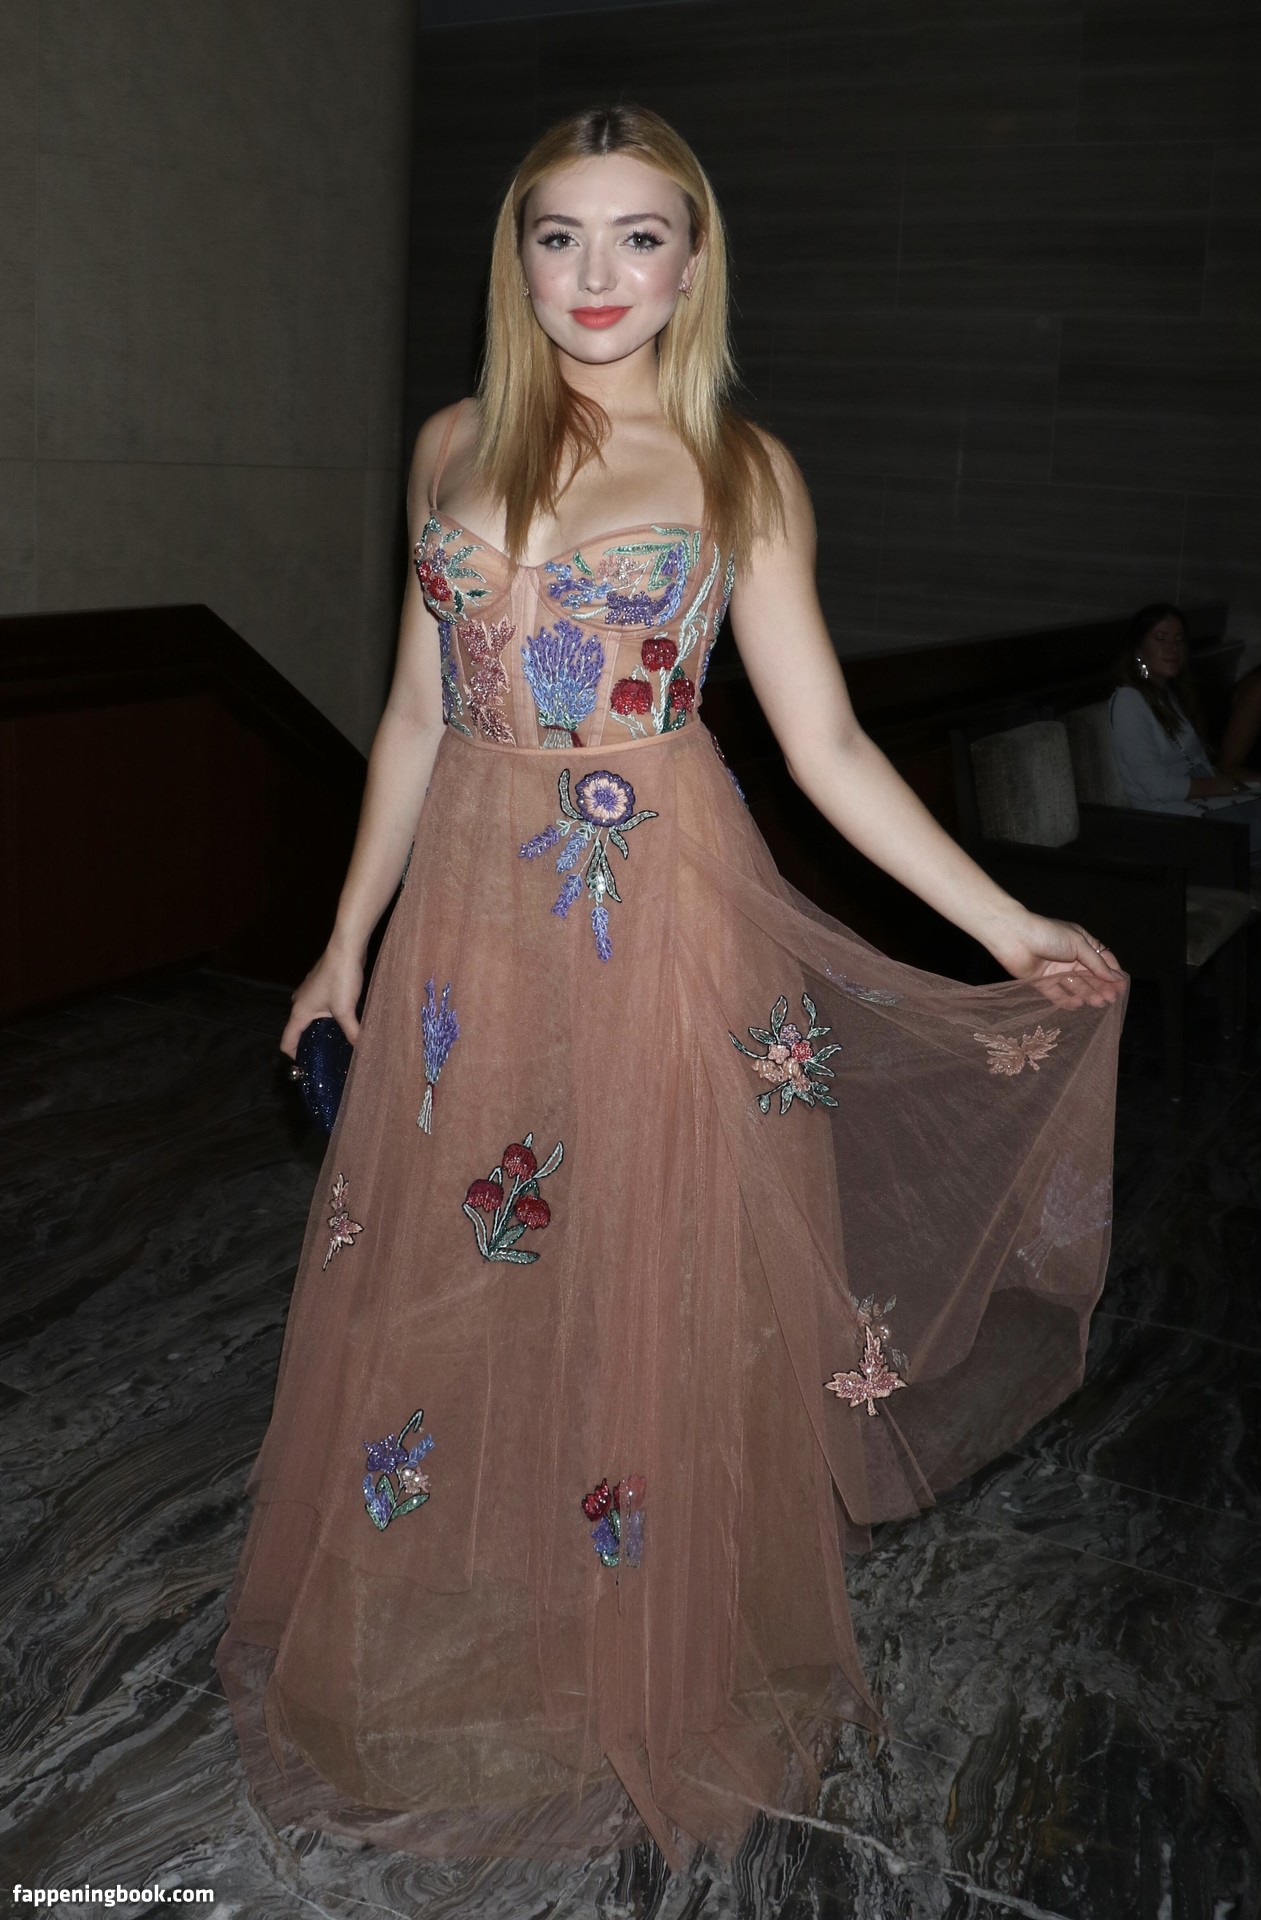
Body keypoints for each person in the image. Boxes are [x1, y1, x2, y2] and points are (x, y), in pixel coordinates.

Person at [217, 105, 1127, 1871]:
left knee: (644, 1256)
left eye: (639, 237)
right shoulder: (450, 443)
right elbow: (411, 713)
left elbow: (829, 747)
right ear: (516, 257)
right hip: (469, 919)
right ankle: (482, 1567)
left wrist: (1006, 923)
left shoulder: (737, 471)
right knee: (459, 1259)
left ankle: (630, 1611)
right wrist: (340, 940)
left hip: (659, 912)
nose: (597, 274)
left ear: (693, 264)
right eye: (559, 234)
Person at [1110, 604, 1261, 858]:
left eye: (1179, 640)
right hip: (1165, 817)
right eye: (1161, 638)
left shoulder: (1167, 695)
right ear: (1138, 648)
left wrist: (1248, 784)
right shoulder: (1129, 701)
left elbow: (1198, 761)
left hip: (1196, 801)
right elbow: (1156, 787)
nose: (1173, 648)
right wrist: (1219, 787)